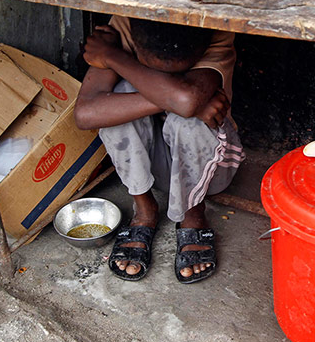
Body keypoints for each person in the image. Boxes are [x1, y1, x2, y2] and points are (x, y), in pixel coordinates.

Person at [74, 16, 244, 284]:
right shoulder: (123, 26)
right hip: (154, 163)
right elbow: (85, 114)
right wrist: (178, 99)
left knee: (187, 120)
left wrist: (111, 56)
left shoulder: (216, 33)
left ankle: (193, 214)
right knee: (116, 105)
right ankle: (144, 209)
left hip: (210, 171)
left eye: (179, 71)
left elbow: (187, 102)